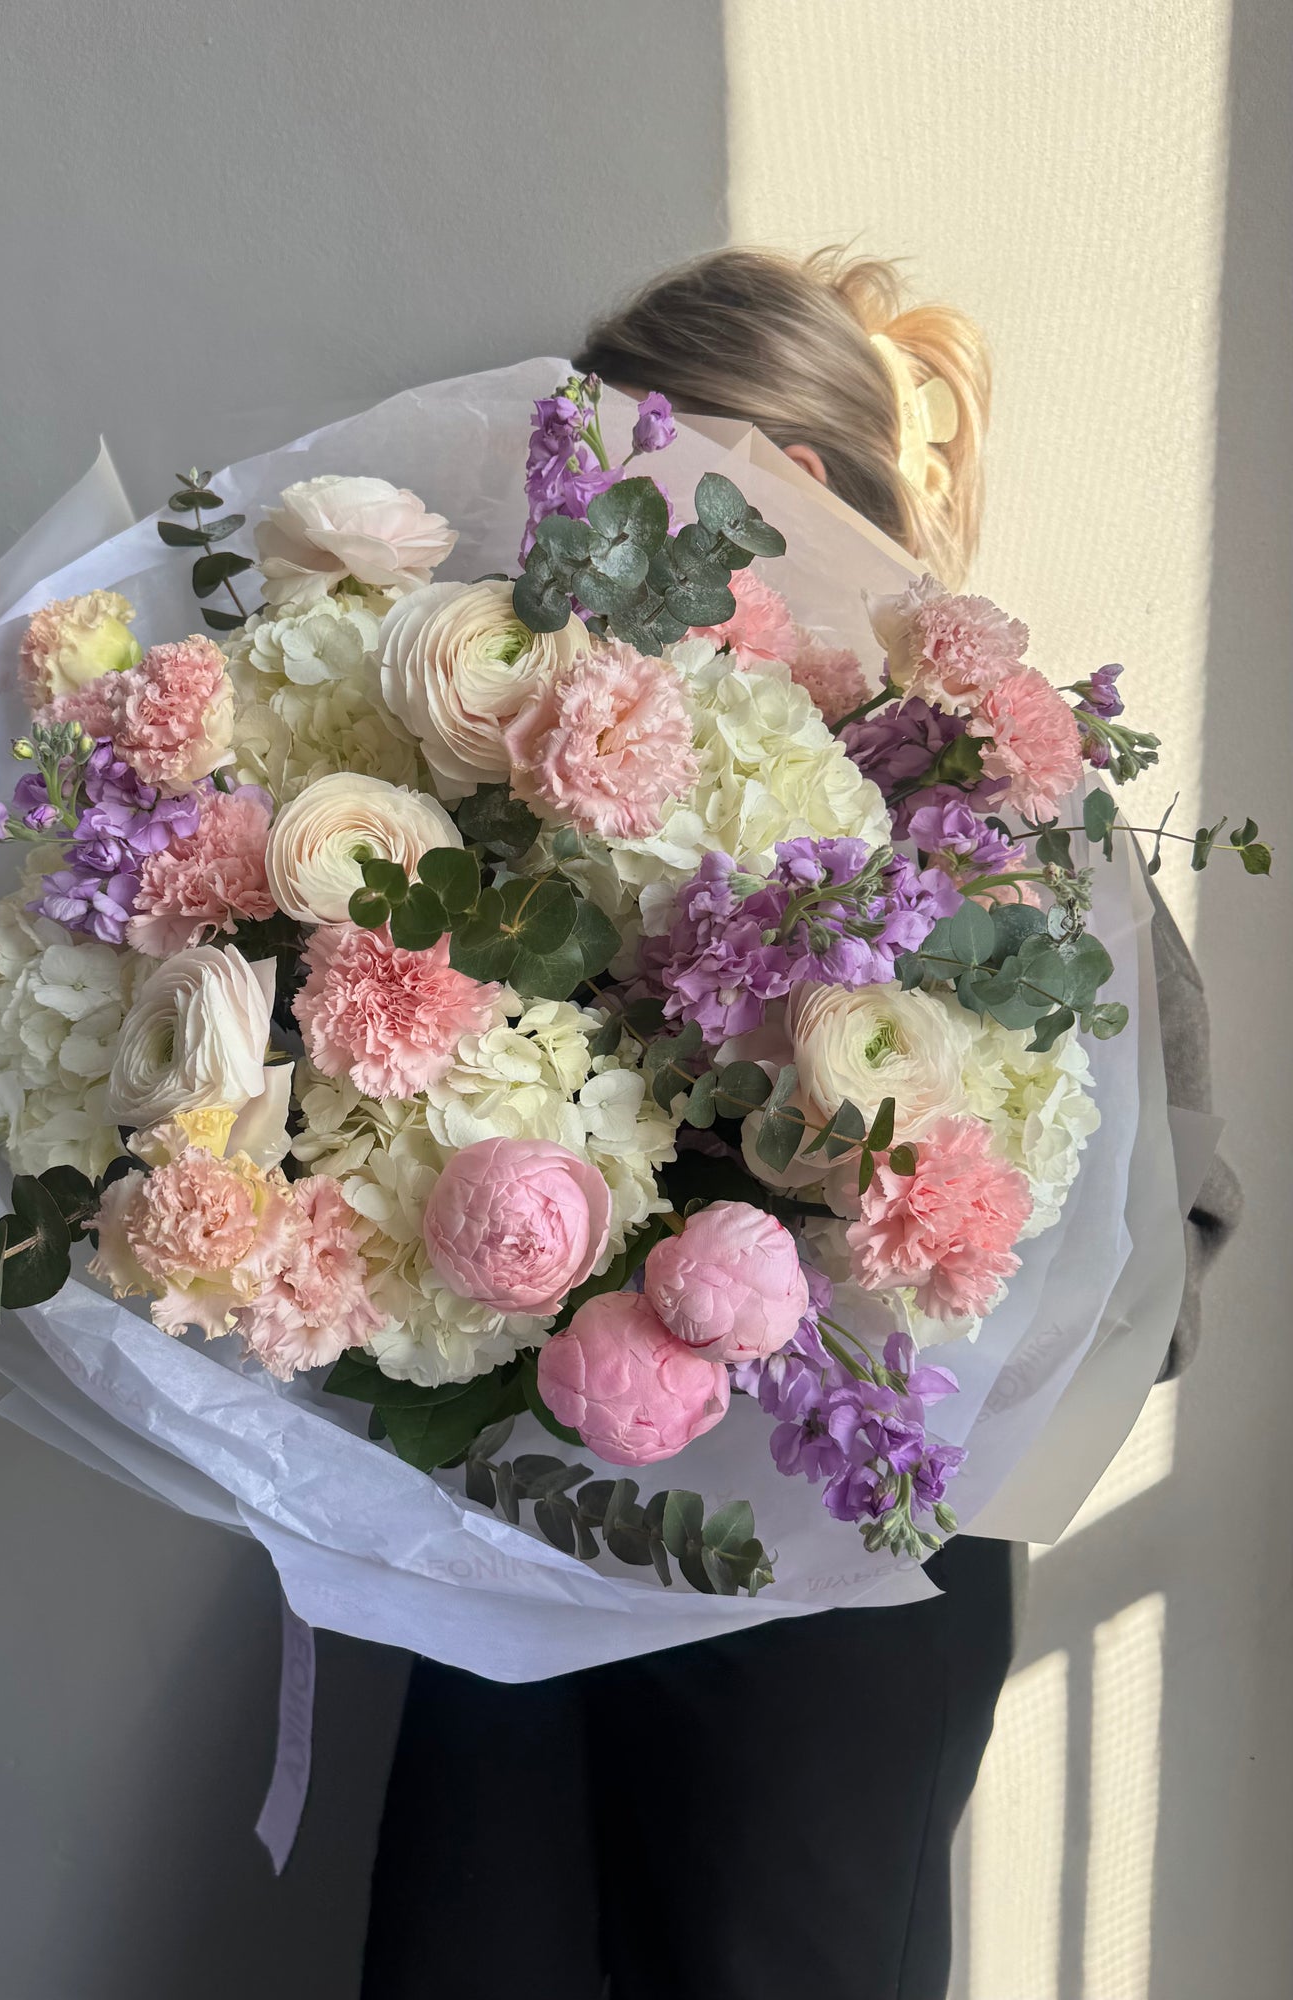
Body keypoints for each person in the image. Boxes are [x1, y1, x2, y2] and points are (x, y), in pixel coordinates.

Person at [359, 248, 1239, 2000]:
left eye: (630, 494)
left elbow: (1176, 1237)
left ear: (792, 492)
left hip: (841, 1592)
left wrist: (882, 1282)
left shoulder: (1014, 818)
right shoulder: (570, 763)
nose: (586, 558)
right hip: (542, 1518)